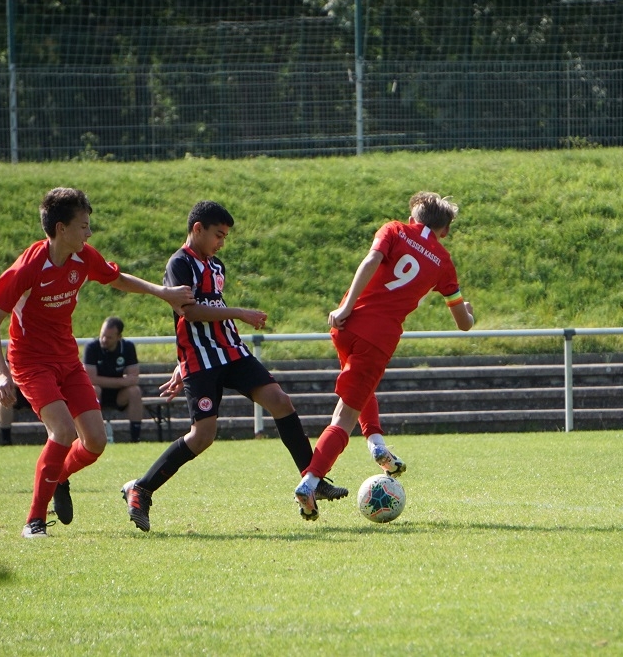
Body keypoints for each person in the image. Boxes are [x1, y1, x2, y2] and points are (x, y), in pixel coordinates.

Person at [121, 200, 348, 532]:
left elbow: (207, 308)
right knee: (202, 436)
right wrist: (239, 314)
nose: (221, 243)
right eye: (218, 235)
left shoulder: (216, 266)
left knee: (281, 402)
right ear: (198, 229)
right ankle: (141, 488)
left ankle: (312, 480)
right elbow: (190, 312)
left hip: (232, 351)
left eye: (225, 236)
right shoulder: (179, 263)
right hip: (201, 359)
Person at [0, 187, 195, 538]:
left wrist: (162, 293)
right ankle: (34, 521)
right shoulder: (28, 268)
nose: (89, 232)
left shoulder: (82, 257)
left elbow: (117, 279)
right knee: (63, 432)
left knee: (95, 441)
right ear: (61, 228)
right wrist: (1, 375)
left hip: (67, 360)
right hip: (31, 363)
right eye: (83, 226)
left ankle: (58, 476)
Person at [293, 192, 475, 520]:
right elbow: (464, 323)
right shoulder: (443, 261)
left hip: (346, 324)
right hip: (378, 338)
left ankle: (377, 443)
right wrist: (470, 313)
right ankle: (310, 481)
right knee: (343, 417)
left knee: (361, 389)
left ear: (413, 217)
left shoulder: (394, 229)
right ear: (445, 230)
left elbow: (370, 262)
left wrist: (346, 308)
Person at [83, 316, 144, 443]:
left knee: (135, 391)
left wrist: (107, 381)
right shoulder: (92, 347)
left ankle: (135, 438)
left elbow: (133, 378)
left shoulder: (127, 347)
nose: (104, 340)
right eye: (102, 335)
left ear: (119, 337)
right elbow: (90, 379)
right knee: (94, 390)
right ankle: (92, 437)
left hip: (118, 395)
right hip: (98, 393)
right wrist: (122, 382)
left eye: (109, 337)